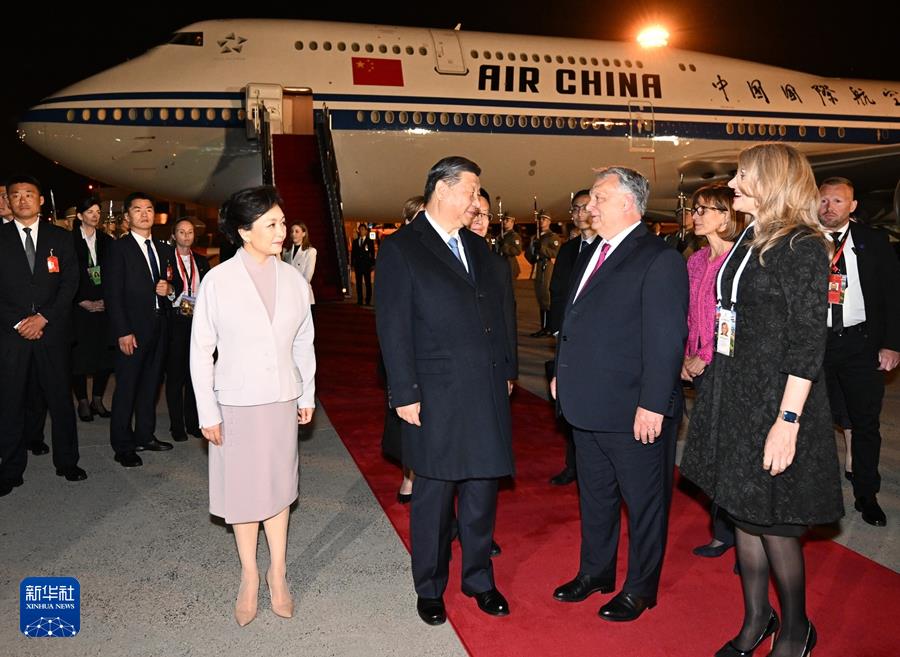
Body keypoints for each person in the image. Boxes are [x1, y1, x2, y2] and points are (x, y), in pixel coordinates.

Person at [681, 144, 844, 657]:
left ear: (770, 180)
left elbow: (807, 342)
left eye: (742, 175)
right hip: (735, 393)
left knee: (774, 524)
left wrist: (787, 421)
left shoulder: (802, 245)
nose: (732, 184)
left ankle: (796, 631)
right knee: (742, 514)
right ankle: (757, 618)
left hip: (776, 398)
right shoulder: (751, 238)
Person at [376, 156, 517, 626]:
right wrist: (403, 392)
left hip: (485, 390)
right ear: (442, 189)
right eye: (471, 191)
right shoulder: (402, 248)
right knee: (434, 497)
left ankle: (478, 579)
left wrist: (509, 370)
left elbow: (500, 312)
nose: (477, 200)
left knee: (481, 490)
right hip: (434, 394)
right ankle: (430, 586)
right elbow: (393, 327)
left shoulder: (478, 248)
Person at [550, 166, 688, 622]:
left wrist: (652, 404)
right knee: (596, 497)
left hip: (633, 410)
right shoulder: (595, 250)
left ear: (628, 203)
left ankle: (640, 588)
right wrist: (562, 373)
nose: (590, 206)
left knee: (644, 504)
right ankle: (596, 572)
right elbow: (573, 319)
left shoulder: (658, 258)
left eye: (599, 198)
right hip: (587, 403)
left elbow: (666, 340)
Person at [191, 185, 316, 627]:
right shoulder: (218, 280)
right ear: (244, 232)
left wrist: (306, 392)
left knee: (279, 486)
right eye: (271, 224)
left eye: (282, 222)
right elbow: (200, 350)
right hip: (236, 401)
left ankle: (277, 572)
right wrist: (207, 411)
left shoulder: (294, 280)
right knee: (243, 492)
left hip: (282, 397)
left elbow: (304, 342)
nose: (282, 231)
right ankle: (249, 575)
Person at [818, 176, 900, 526]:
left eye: (837, 201)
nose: (829, 207)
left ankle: (867, 495)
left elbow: (893, 294)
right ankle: (818, 494)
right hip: (816, 344)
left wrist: (892, 343)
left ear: (852, 206)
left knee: (866, 423)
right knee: (815, 421)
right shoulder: (803, 241)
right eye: (824, 200)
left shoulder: (873, 241)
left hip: (860, 344)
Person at [0, 175, 86, 497]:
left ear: (40, 201)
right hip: (11, 335)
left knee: (60, 400)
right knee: (10, 402)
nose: (22, 199)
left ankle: (68, 462)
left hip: (52, 331)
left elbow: (70, 282)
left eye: (29, 194)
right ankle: (10, 469)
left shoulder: (59, 237)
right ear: (8, 201)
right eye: (15, 195)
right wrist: (19, 322)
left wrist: (44, 317)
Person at [680, 184, 745, 559]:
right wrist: (687, 355)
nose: (696, 215)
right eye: (695, 209)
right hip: (701, 367)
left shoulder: (739, 260)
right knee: (714, 451)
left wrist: (704, 355)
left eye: (705, 209)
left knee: (734, 453)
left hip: (731, 367)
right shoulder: (696, 260)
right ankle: (724, 532)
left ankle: (747, 541)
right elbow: (690, 315)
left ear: (726, 216)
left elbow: (734, 318)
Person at [105, 192, 182, 468]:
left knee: (151, 385)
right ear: (127, 217)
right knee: (127, 387)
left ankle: (145, 436)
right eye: (137, 209)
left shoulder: (164, 248)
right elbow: (112, 294)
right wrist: (123, 331)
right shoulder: (118, 248)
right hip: (132, 331)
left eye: (149, 209)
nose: (144, 214)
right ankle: (123, 445)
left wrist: (170, 288)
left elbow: (177, 284)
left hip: (160, 327)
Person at [545, 189, 599, 486]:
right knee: (567, 403)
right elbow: (556, 291)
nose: (579, 214)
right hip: (566, 340)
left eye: (584, 207)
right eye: (575, 209)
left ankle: (592, 466)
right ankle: (572, 464)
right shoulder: (568, 249)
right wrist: (557, 329)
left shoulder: (606, 247)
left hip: (594, 342)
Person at [380, 196, 425, 504]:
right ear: (407, 221)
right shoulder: (396, 250)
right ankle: (409, 476)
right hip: (405, 351)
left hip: (432, 353)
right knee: (408, 424)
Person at [71, 196, 116, 422]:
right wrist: (81, 300)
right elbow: (64, 275)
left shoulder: (107, 241)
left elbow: (114, 273)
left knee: (104, 355)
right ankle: (82, 401)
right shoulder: (68, 241)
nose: (95, 216)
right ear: (80, 215)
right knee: (79, 356)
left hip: (104, 305)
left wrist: (107, 299)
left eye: (98, 212)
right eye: (90, 212)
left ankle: (97, 399)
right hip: (78, 307)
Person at [165, 218, 210, 442]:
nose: (186, 236)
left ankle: (193, 422)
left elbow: (207, 291)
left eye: (190, 232)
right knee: (175, 375)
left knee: (195, 374)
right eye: (181, 232)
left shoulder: (201, 261)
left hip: (196, 320)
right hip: (175, 321)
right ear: (174, 235)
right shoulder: (166, 260)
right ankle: (177, 425)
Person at [525, 212, 560, 337]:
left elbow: (555, 253)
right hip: (538, 267)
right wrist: (532, 251)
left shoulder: (552, 237)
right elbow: (528, 255)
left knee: (546, 297)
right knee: (540, 297)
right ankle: (544, 327)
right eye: (540, 219)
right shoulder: (536, 237)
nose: (541, 221)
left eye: (544, 219)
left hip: (547, 267)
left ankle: (549, 327)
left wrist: (541, 248)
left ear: (549, 221)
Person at [283, 222, 317, 304]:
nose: (293, 234)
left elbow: (307, 277)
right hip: (289, 295)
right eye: (292, 231)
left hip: (302, 294)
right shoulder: (285, 251)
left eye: (297, 231)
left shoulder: (310, 251)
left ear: (304, 234)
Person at [351, 223, 375, 305]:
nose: (361, 231)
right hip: (358, 266)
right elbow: (353, 254)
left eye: (363, 229)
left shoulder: (370, 242)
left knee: (368, 284)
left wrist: (372, 265)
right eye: (360, 229)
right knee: (359, 284)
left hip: (366, 266)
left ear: (366, 231)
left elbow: (372, 254)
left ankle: (368, 300)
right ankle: (360, 300)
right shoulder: (355, 241)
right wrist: (352, 265)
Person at [496, 213, 523, 280]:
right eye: (504, 220)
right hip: (501, 264)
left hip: (510, 265)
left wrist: (505, 247)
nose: (504, 222)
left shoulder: (514, 236)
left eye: (507, 220)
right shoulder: (501, 235)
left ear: (512, 222)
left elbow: (518, 251)